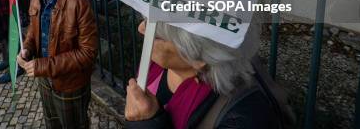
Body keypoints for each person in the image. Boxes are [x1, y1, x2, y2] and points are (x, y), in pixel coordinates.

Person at [123, 21, 294, 128]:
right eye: (148, 20)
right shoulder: (157, 67)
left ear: (199, 56)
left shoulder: (244, 118)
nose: (141, 28)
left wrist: (149, 124)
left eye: (158, 34)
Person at [17, 0, 98, 129]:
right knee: (51, 123)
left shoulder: (78, 3)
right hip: (44, 77)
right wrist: (28, 48)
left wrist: (43, 65)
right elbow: (33, 28)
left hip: (70, 83)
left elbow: (88, 53)